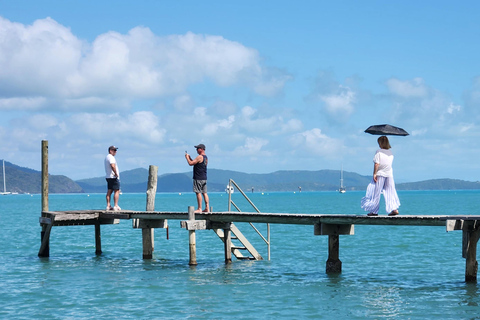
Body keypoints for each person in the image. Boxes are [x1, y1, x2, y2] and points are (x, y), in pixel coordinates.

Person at [361, 136, 400, 216]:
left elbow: (377, 164)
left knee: (375, 192)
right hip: (389, 174)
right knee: (390, 192)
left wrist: (374, 174)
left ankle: (374, 211)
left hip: (380, 174)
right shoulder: (390, 153)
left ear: (381, 143)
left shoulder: (378, 152)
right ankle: (394, 209)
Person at [185, 143, 209, 213]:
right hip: (204, 177)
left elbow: (190, 163)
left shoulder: (200, 157)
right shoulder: (205, 157)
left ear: (201, 149)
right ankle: (207, 207)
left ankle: (199, 208)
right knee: (204, 193)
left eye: (197, 148)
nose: (196, 150)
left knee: (198, 192)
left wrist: (187, 158)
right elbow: (195, 163)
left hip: (198, 177)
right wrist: (190, 158)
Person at [105, 145, 121, 211]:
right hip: (113, 177)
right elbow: (112, 165)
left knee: (109, 191)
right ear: (110, 151)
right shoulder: (111, 157)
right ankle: (115, 205)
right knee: (117, 191)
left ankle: (108, 205)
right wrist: (116, 173)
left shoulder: (106, 157)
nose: (116, 151)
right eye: (114, 150)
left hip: (108, 176)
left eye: (116, 150)